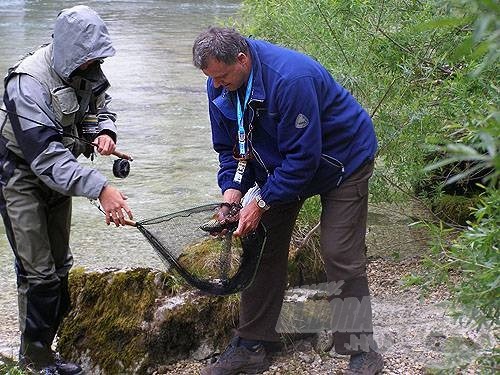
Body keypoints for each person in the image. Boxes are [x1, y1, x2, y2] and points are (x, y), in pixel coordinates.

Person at [193, 27, 384, 375]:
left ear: (242, 59)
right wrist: (232, 192)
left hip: (342, 160)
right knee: (259, 243)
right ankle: (253, 343)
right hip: (285, 162)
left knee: (340, 253)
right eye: (211, 79)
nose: (216, 86)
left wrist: (262, 200)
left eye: (221, 77)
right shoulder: (220, 83)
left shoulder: (290, 79)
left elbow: (304, 160)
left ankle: (361, 349)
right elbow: (231, 148)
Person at [0, 5, 133, 374]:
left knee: (61, 267)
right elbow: (45, 158)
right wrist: (101, 188)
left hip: (63, 173)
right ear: (69, 50)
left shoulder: (86, 69)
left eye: (97, 59)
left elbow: (99, 105)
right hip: (19, 176)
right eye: (89, 59)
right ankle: (34, 361)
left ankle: (45, 352)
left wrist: (102, 132)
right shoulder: (26, 83)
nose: (95, 66)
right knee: (37, 271)